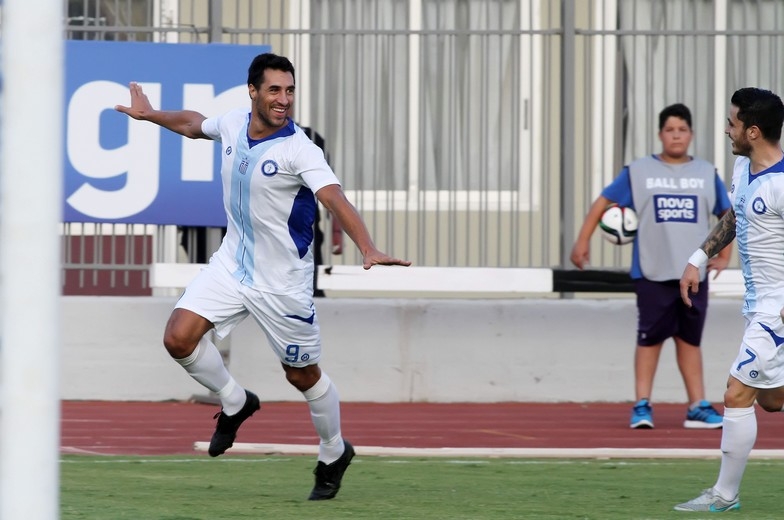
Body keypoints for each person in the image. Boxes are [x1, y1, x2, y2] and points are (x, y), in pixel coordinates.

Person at [115, 52, 411, 500]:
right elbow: (195, 124)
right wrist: (151, 115)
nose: (283, 99)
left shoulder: (300, 149)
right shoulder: (234, 122)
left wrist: (367, 246)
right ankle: (235, 401)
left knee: (302, 375)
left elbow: (334, 197)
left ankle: (334, 451)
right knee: (178, 338)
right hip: (232, 265)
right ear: (252, 91)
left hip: (282, 283)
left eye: (289, 91)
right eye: (274, 90)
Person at [570, 103, 732, 430]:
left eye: (682, 130)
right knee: (650, 339)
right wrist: (583, 240)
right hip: (652, 271)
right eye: (670, 130)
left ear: (691, 134)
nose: (676, 135)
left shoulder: (705, 172)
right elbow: (603, 202)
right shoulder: (639, 171)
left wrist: (725, 255)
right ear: (660, 134)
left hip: (693, 274)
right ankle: (642, 404)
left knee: (690, 340)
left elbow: (727, 215)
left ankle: (697, 406)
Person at [675, 88, 784, 512]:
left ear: (752, 131)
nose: (726, 129)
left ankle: (724, 495)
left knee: (737, 393)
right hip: (757, 307)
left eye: (732, 122)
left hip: (777, 311)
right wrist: (697, 259)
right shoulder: (743, 166)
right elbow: (737, 215)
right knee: (771, 400)